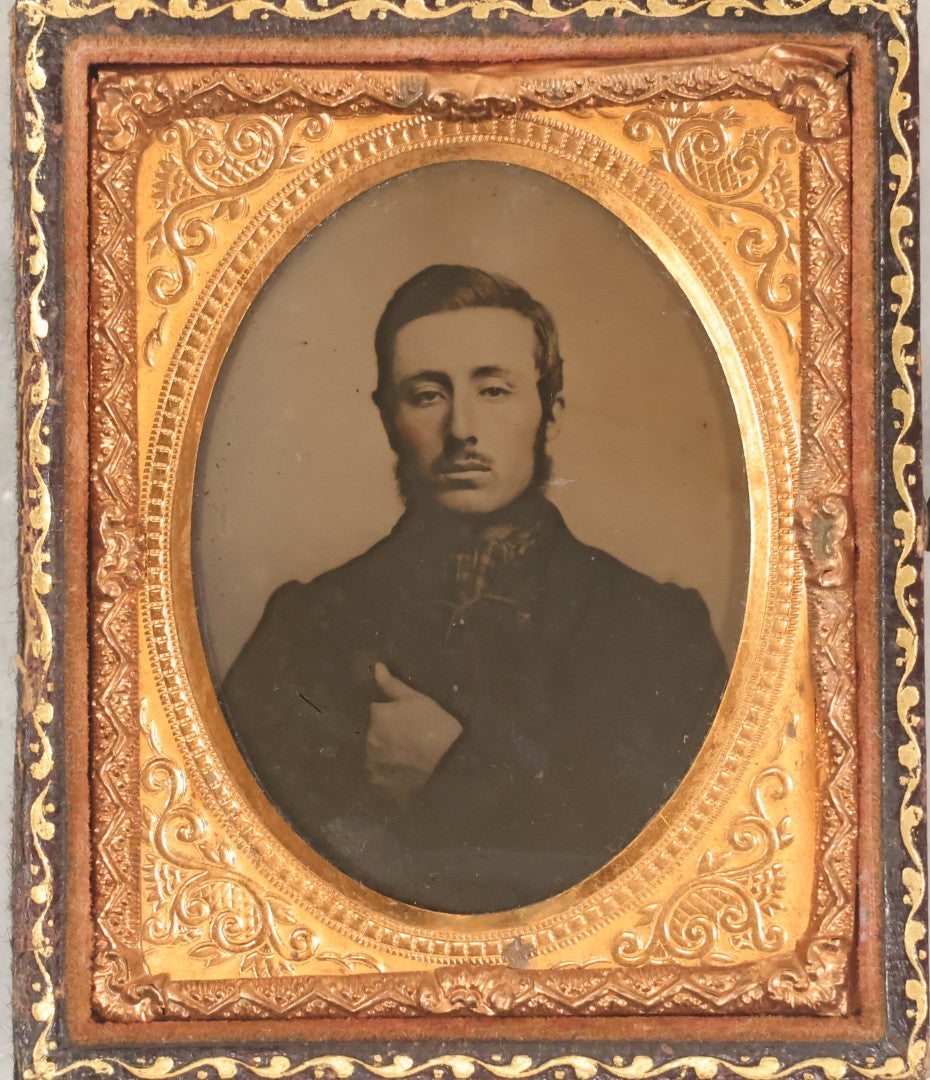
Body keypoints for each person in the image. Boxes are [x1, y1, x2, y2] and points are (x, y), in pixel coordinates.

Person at [221, 264, 729, 914]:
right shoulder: (306, 622)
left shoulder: (656, 627)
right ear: (387, 417)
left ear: (551, 410)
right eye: (427, 395)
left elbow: (688, 870)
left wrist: (457, 766)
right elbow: (238, 861)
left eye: (494, 391)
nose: (462, 429)